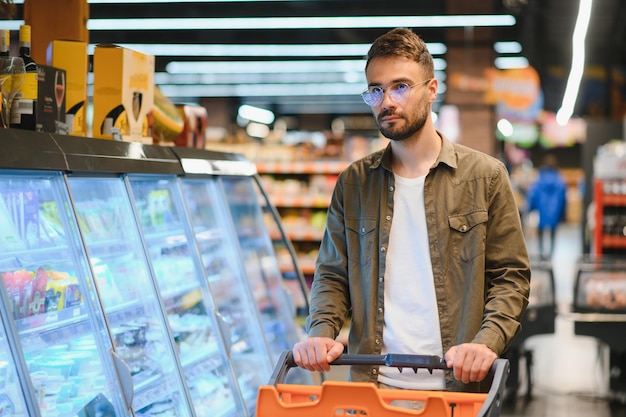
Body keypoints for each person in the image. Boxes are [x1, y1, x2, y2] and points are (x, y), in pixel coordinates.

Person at [292, 27, 531, 393]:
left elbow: (510, 276)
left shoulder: (485, 177)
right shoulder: (353, 184)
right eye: (376, 90)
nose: (387, 101)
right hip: (374, 387)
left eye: (400, 86)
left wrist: (486, 342)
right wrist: (320, 333)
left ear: (431, 90)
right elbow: (332, 277)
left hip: (458, 389)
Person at [526, 153, 568, 259]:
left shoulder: (539, 179)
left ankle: (541, 253)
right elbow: (563, 198)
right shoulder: (560, 179)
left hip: (541, 211)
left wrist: (531, 208)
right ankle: (551, 255)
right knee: (553, 233)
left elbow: (533, 195)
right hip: (555, 212)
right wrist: (563, 213)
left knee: (540, 232)